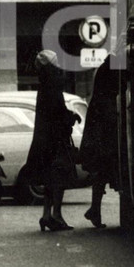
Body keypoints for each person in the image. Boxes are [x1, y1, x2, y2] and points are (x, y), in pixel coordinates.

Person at [24, 50, 81, 232]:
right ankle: (55, 215)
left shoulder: (43, 85)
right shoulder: (54, 85)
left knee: (49, 178)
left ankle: (47, 214)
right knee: (59, 178)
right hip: (56, 141)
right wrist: (71, 117)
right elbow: (58, 111)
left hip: (44, 140)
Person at [79, 54, 119, 228]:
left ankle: (95, 209)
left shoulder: (101, 80)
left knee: (100, 175)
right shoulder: (107, 98)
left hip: (98, 141)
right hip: (103, 142)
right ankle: (95, 210)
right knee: (102, 173)